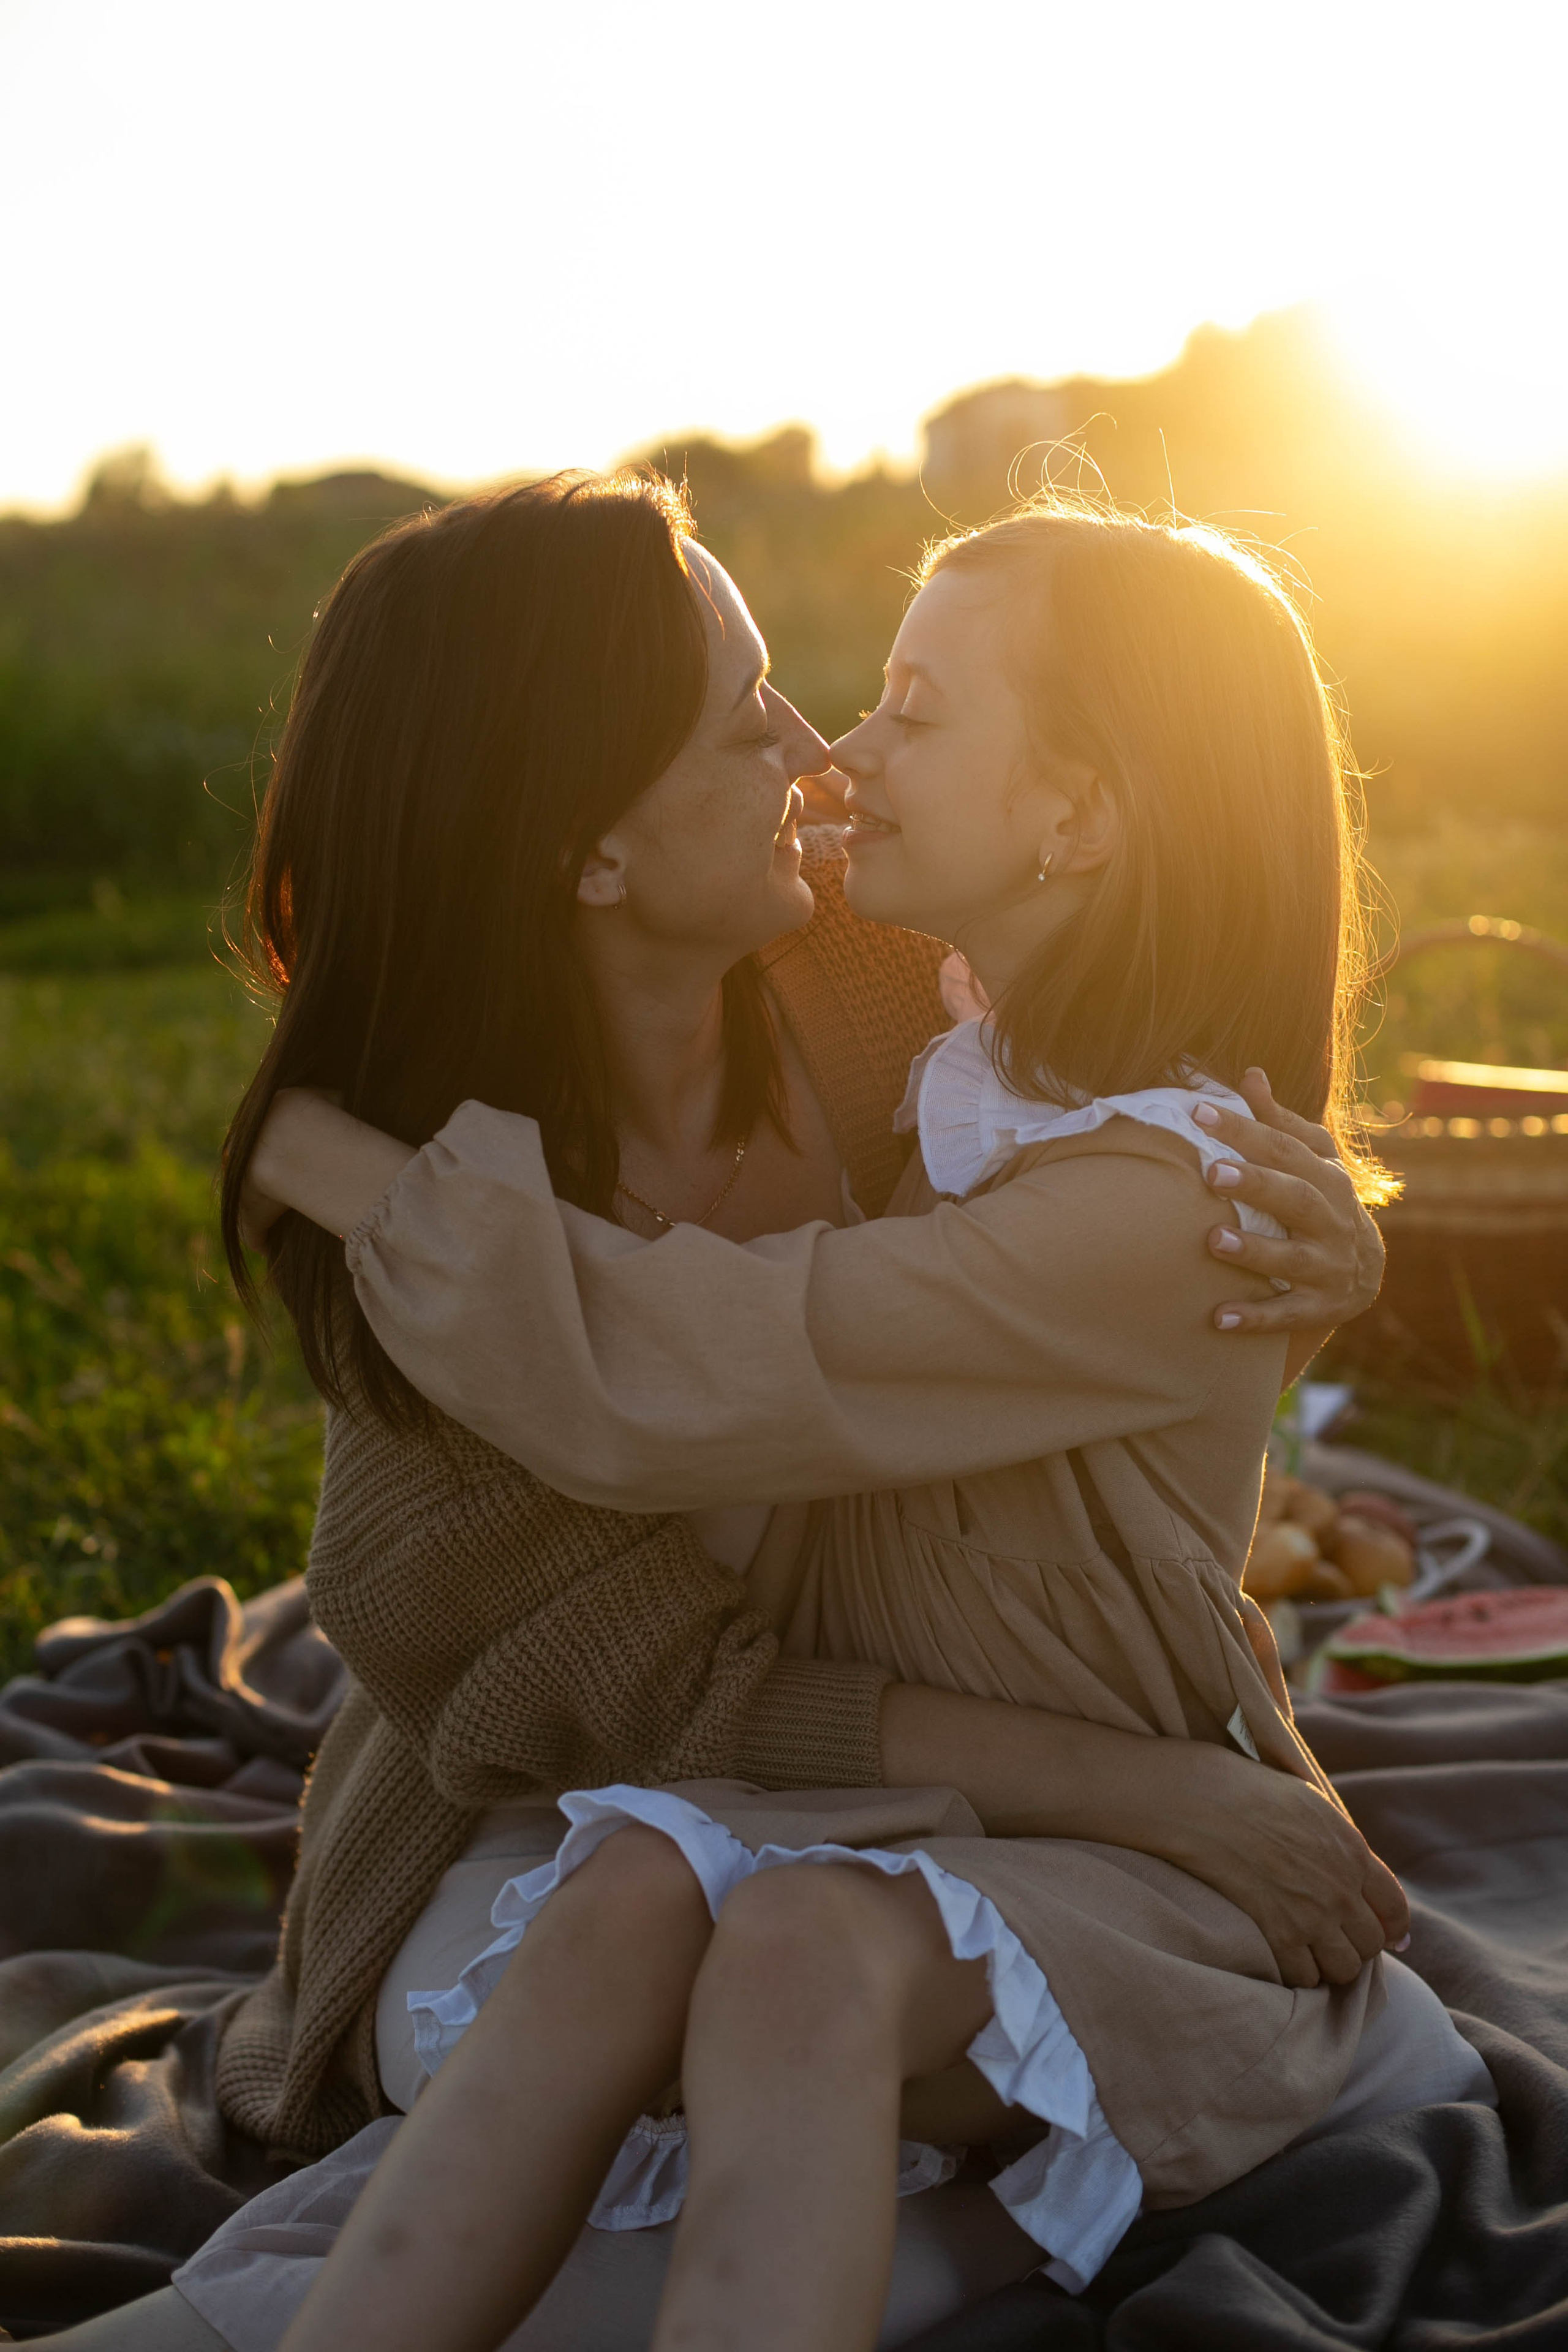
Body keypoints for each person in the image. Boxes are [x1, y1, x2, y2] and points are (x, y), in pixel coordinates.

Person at [227, 486, 1490, 2352]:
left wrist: (1323, 1242)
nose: (823, 757)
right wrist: (328, 1154)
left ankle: (957, 2221)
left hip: (920, 1816)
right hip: (571, 1818)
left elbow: (1137, 1131)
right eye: (754, 720)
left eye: (885, 705)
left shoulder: (887, 987)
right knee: (660, 1958)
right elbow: (675, 1623)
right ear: (586, 848)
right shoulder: (439, 1255)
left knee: (779, 2004)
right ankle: (992, 2226)